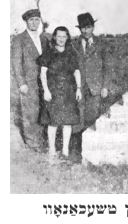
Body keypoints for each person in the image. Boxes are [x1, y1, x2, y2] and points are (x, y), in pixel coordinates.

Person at [70, 12, 111, 162]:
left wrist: (105, 86)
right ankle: (75, 153)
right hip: (79, 88)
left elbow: (107, 66)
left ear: (93, 27)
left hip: (96, 88)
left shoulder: (101, 44)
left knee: (92, 119)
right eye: (82, 28)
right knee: (77, 121)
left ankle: (91, 154)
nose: (85, 31)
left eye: (88, 27)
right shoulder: (73, 44)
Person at [38, 26, 82, 162]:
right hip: (53, 90)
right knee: (53, 122)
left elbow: (76, 71)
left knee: (67, 122)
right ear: (55, 37)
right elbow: (43, 72)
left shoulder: (72, 53)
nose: (61, 39)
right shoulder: (49, 53)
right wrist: (46, 90)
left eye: (64, 36)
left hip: (69, 91)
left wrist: (79, 88)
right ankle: (52, 150)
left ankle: (65, 151)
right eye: (59, 36)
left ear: (67, 37)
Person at [11, 9, 49, 152]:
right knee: (30, 112)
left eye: (37, 20)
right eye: (31, 20)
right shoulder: (19, 39)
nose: (34, 22)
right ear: (26, 22)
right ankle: (32, 144)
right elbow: (16, 63)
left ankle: (41, 142)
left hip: (43, 82)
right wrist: (21, 83)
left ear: (40, 21)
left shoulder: (44, 39)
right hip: (28, 83)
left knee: (42, 112)